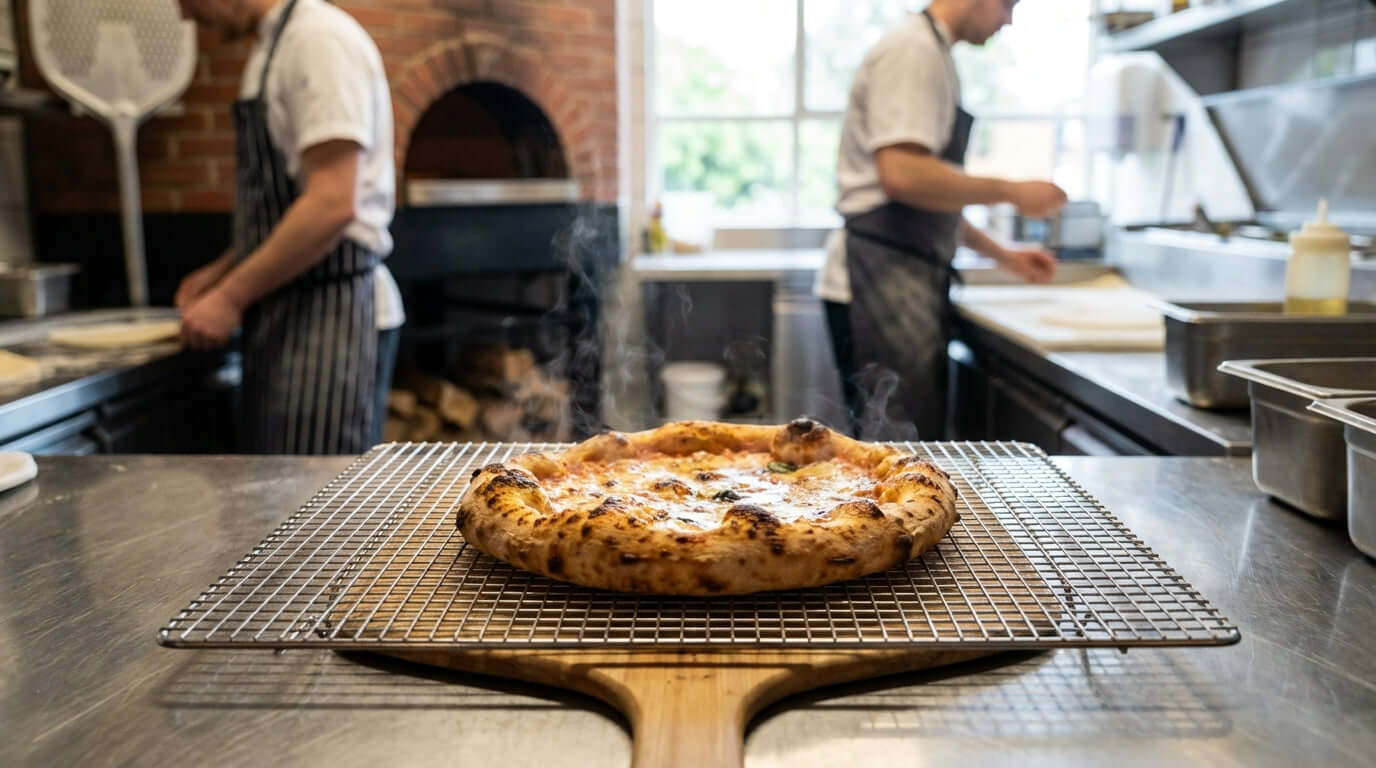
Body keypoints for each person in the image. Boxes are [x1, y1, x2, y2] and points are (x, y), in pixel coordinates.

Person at [816, 0, 1067, 441]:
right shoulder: (913, 50)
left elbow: (930, 198)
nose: (1008, 20)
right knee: (894, 447)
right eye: (1007, 5)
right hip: (878, 278)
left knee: (905, 446)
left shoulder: (933, 52)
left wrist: (1003, 256)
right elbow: (902, 174)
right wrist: (1011, 191)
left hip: (897, 275)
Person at [173, 0, 404, 454]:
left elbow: (332, 203)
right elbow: (291, 208)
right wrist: (224, 270)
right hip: (290, 315)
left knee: (323, 492)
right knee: (282, 485)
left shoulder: (318, 41)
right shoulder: (273, 48)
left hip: (334, 319)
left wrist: (229, 297)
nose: (186, 16)